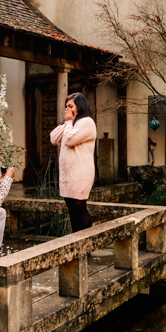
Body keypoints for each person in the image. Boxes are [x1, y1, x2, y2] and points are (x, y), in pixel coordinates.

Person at [50, 92, 97, 233]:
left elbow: (70, 140)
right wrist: (67, 122)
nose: (67, 110)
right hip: (67, 175)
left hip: (80, 174)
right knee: (72, 211)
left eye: (71, 106)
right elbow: (53, 138)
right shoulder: (71, 124)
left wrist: (69, 123)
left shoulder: (87, 122)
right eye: (66, 107)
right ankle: (76, 245)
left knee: (80, 209)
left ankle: (86, 247)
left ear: (80, 106)